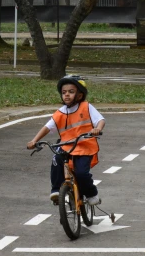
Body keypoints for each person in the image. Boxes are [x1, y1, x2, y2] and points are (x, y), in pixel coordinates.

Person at [27, 75, 105, 205]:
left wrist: (97, 128)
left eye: (71, 92)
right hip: (66, 144)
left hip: (84, 145)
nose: (66, 95)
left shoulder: (86, 107)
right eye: (64, 92)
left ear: (80, 95)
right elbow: (47, 127)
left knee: (81, 173)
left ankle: (91, 193)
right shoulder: (60, 112)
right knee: (56, 159)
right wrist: (34, 140)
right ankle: (57, 190)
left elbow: (100, 120)